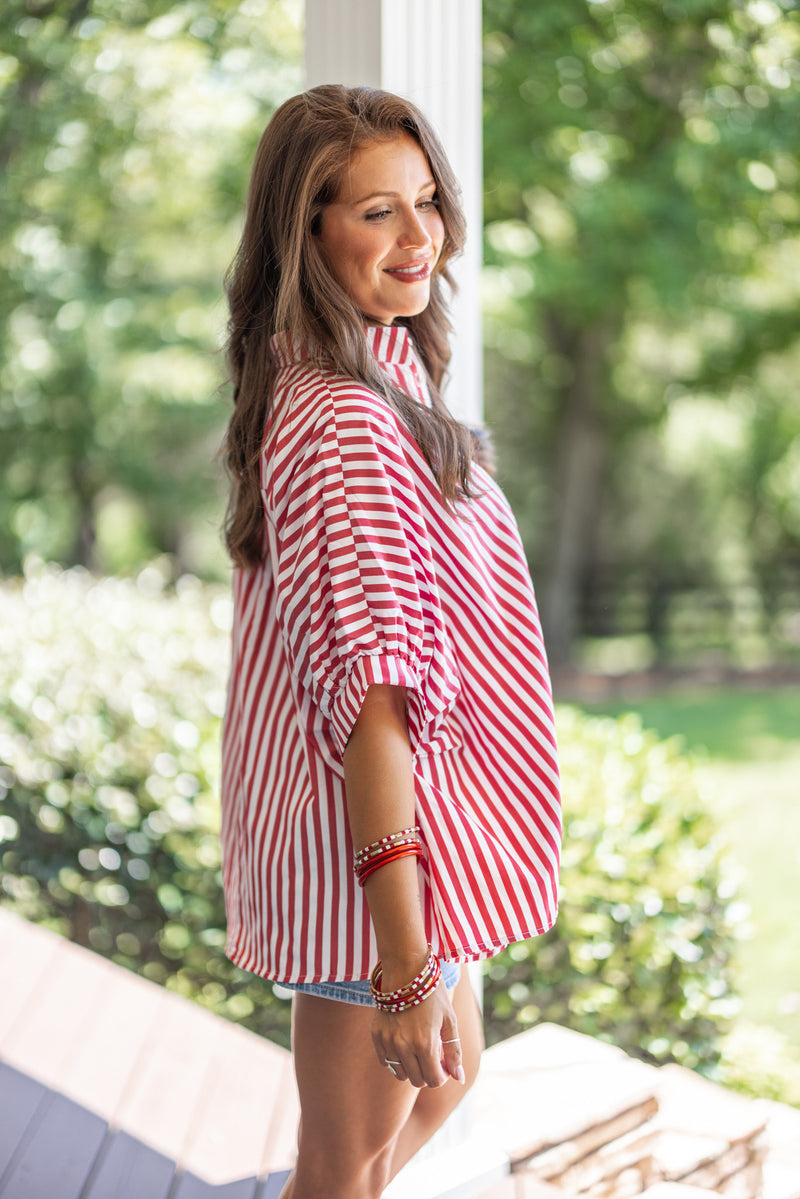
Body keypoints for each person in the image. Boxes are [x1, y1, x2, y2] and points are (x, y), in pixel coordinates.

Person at [220, 84, 561, 1199]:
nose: (419, 238)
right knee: (341, 1173)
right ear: (306, 230)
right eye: (376, 212)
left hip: (430, 839)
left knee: (419, 1108)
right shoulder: (346, 423)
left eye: (424, 202)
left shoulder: (383, 365)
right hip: (380, 872)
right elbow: (374, 706)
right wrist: (404, 957)